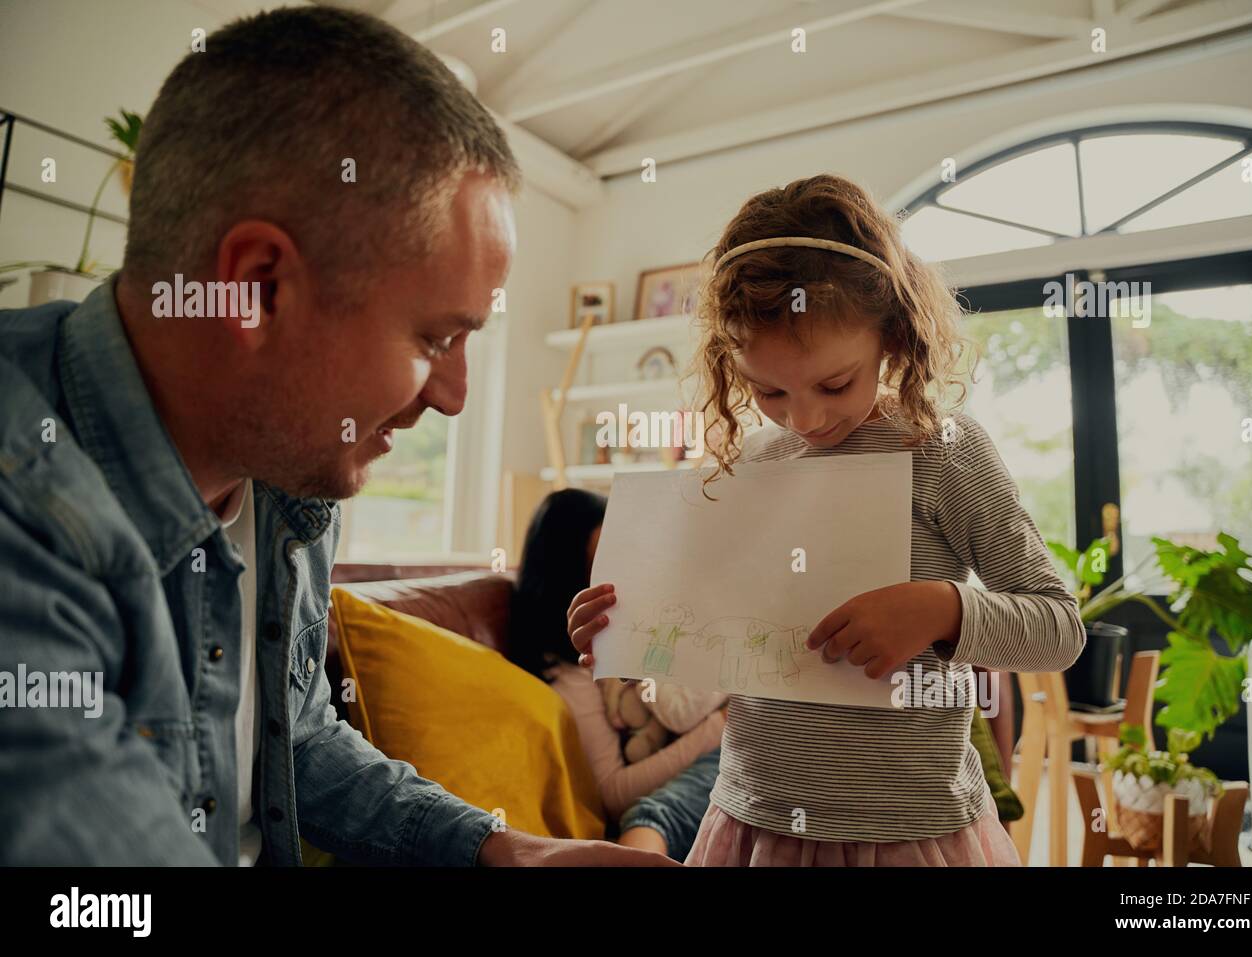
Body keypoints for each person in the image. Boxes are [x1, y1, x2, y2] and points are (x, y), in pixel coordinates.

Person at [0, 6, 669, 867]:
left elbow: (295, 736)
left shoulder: (291, 467)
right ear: (257, 288)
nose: (457, 397)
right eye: (434, 339)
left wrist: (504, 852)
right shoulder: (27, 506)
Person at [568, 174, 1085, 866]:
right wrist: (618, 628)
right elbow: (707, 631)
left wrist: (942, 609)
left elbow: (1059, 627)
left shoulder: (943, 451)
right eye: (768, 390)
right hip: (755, 820)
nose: (806, 418)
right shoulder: (745, 463)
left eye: (834, 383)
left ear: (893, 336)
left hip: (912, 829)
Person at [508, 489, 724, 861]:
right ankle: (648, 830)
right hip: (682, 787)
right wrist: (722, 725)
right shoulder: (567, 672)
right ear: (571, 569)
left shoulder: (644, 625)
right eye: (606, 557)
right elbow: (612, 793)